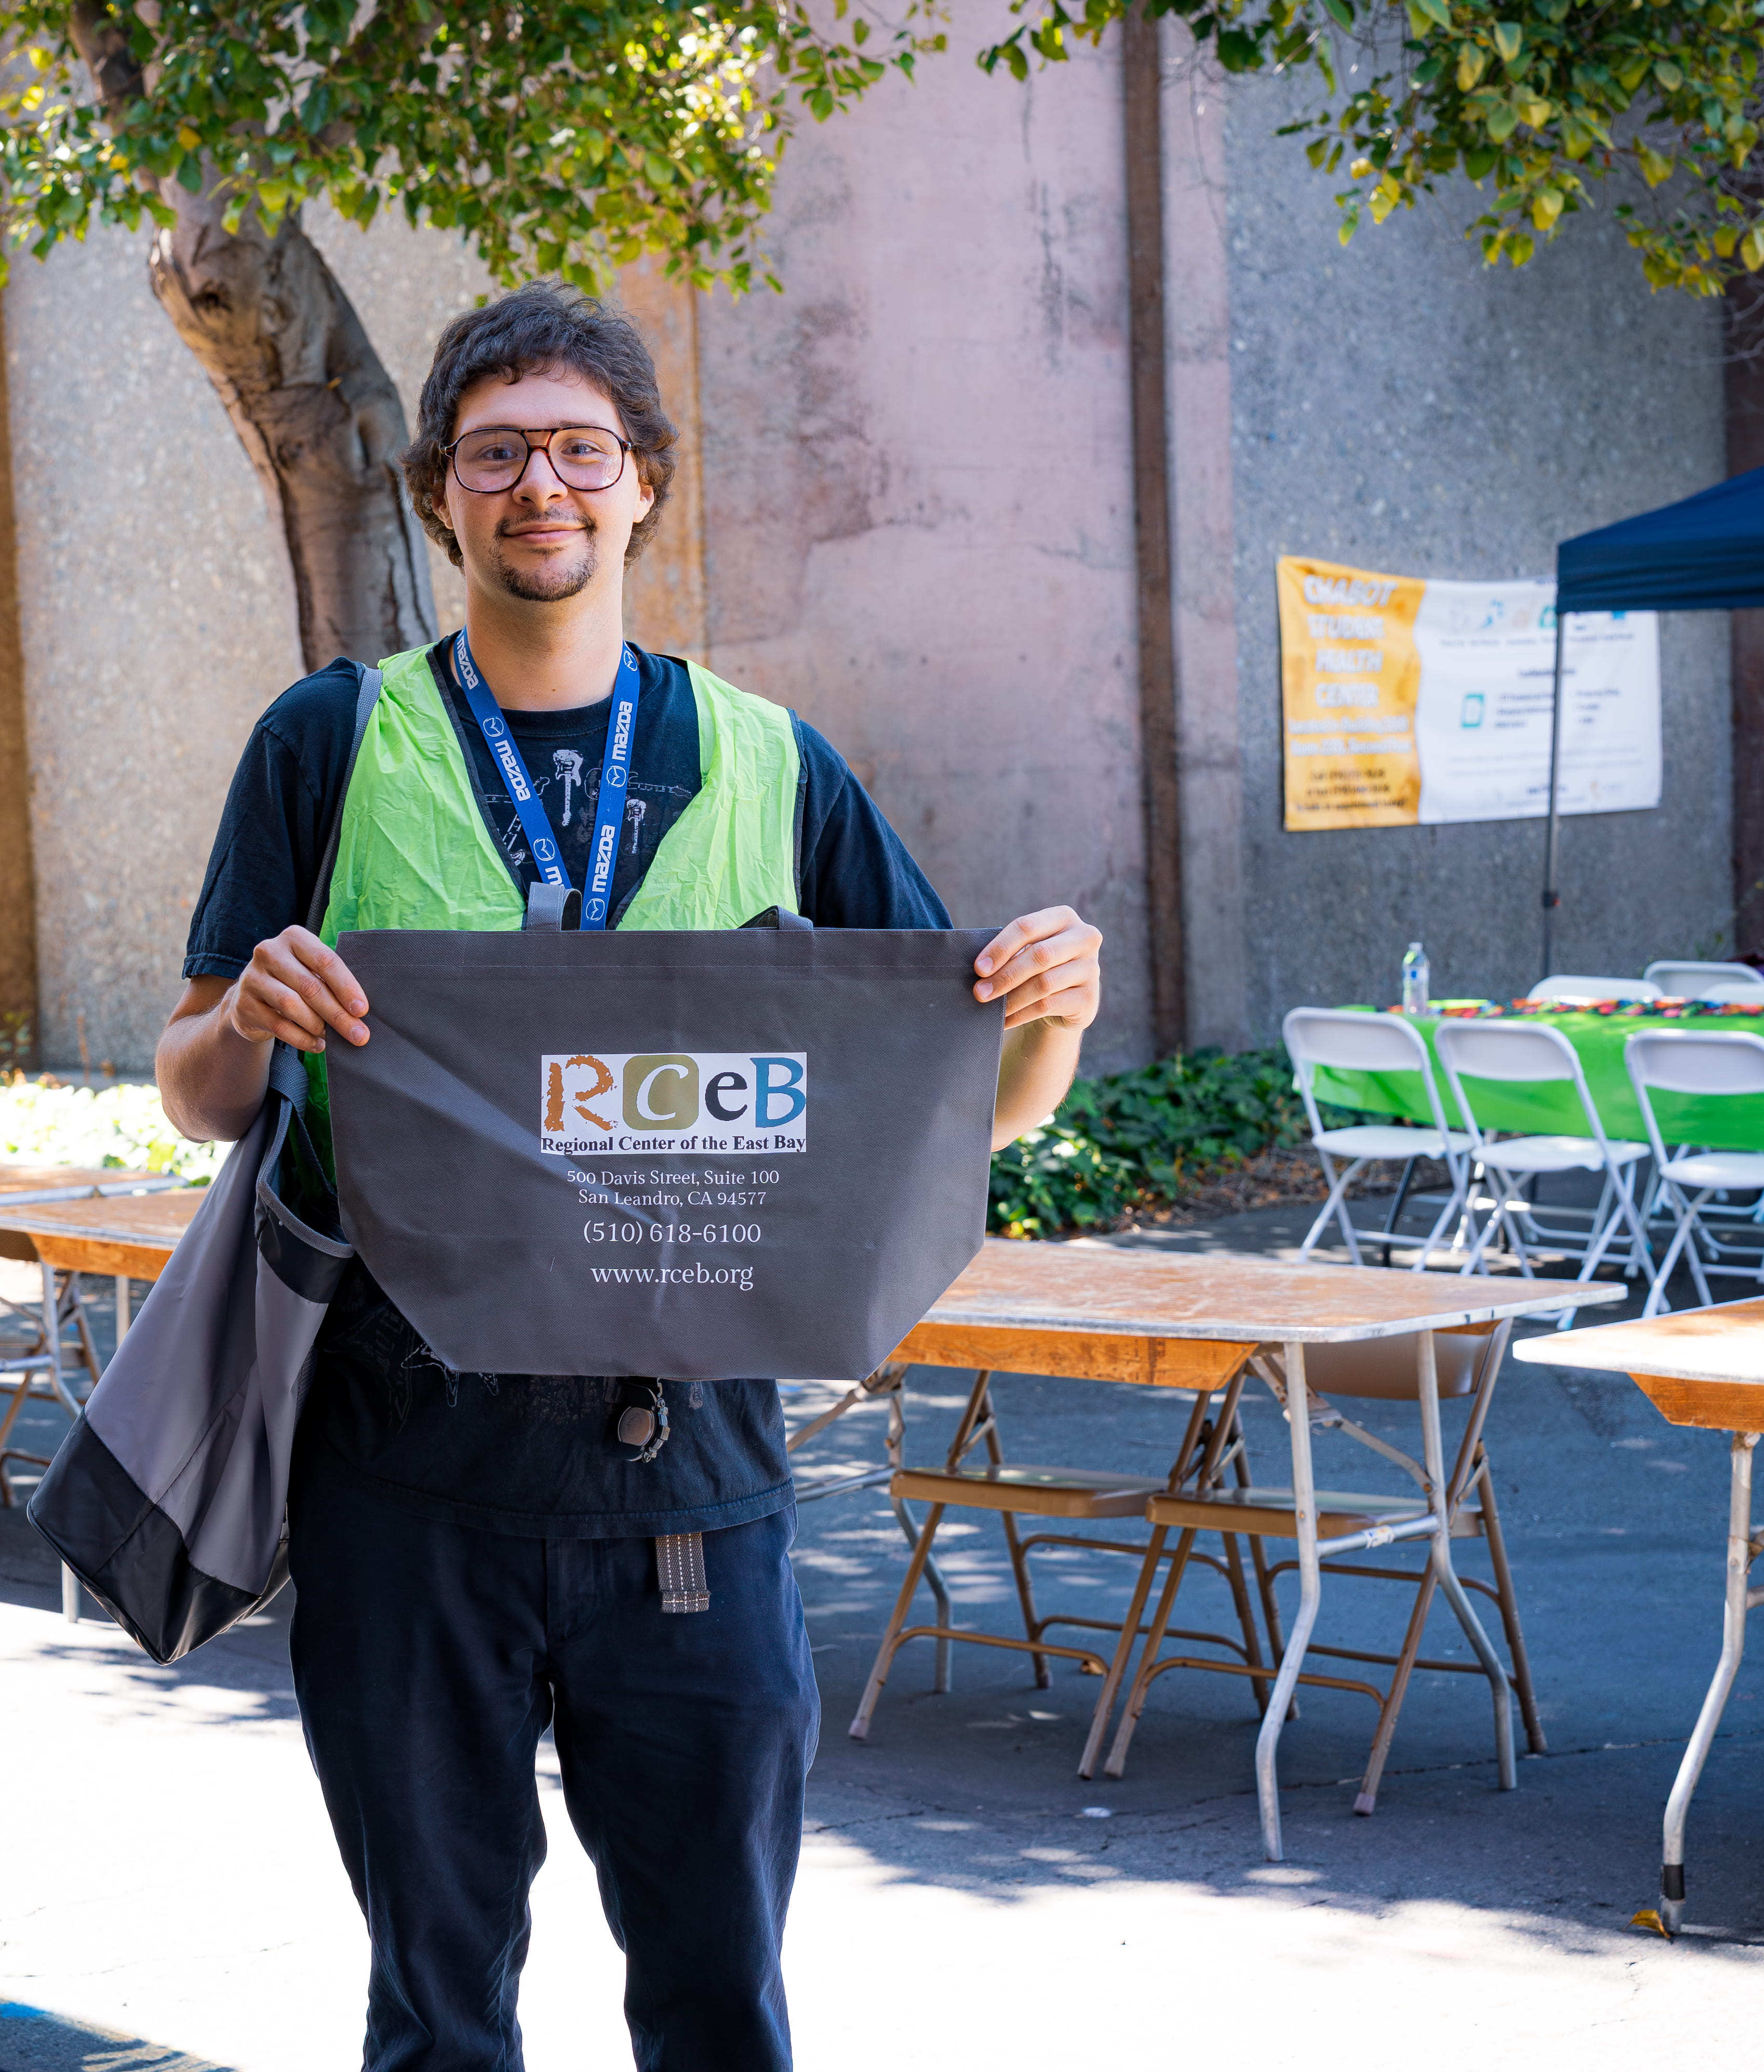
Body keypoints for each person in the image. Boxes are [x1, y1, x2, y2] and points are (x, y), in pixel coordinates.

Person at [157, 282, 1103, 2072]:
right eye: (500, 452)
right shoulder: (329, 742)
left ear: (646, 483)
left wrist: (1049, 1020)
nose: (544, 489)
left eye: (582, 451)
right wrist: (254, 1030)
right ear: (442, 488)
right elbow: (195, 1091)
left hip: (693, 1484)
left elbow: (955, 1107)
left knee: (719, 2007)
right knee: (437, 2016)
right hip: (406, 1469)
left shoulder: (767, 760)